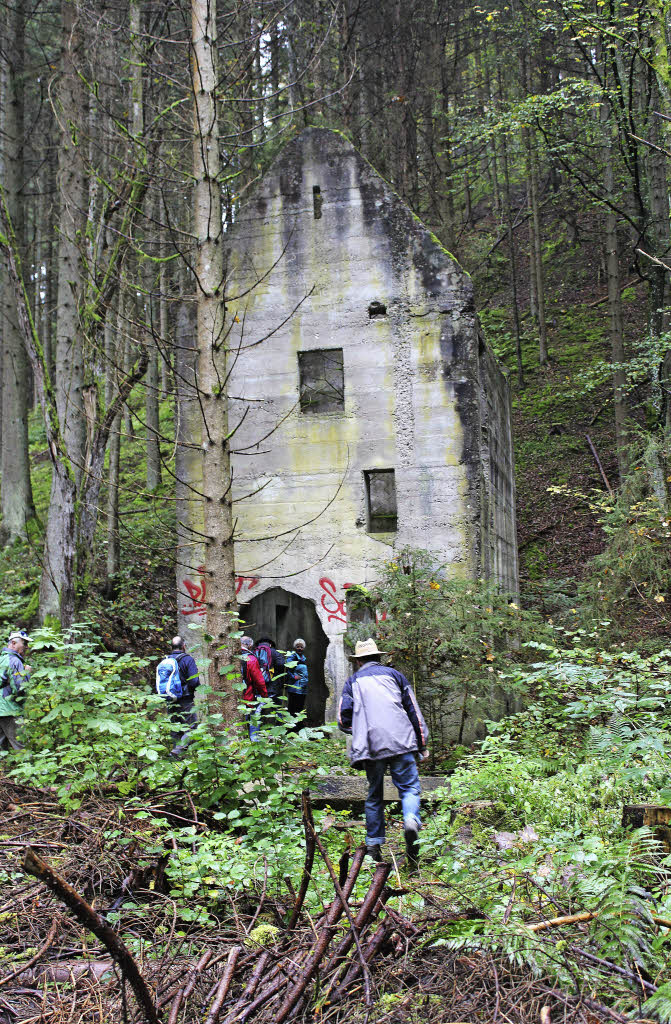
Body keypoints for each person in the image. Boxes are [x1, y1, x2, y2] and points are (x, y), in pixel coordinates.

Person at [338, 638, 429, 864]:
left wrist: (360, 728)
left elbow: (342, 719)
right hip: (401, 741)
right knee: (409, 789)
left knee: (374, 795)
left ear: (358, 661)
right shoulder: (396, 676)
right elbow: (413, 711)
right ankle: (411, 820)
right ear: (379, 657)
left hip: (371, 745)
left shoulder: (352, 682)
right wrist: (422, 743)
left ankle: (373, 846)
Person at [162, 636, 201, 757]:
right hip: (185, 699)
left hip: (170, 698)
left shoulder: (166, 660)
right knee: (191, 727)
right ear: (184, 646)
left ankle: (177, 759)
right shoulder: (187, 659)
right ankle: (177, 751)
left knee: (175, 728)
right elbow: (194, 681)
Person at [0, 629, 32, 752]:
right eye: (24, 643)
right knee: (22, 746)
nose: (27, 647)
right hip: (10, 710)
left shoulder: (2, 659)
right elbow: (20, 688)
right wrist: (27, 674)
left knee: (2, 749)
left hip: (2, 709)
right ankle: (29, 765)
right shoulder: (14, 661)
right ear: (13, 643)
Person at [240, 636, 268, 740]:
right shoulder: (251, 659)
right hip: (248, 695)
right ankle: (254, 741)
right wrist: (264, 695)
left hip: (234, 696)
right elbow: (259, 680)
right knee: (254, 717)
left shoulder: (232, 656)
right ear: (250, 645)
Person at [284, 638, 309, 724]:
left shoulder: (303, 658)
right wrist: (293, 677)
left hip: (302, 688)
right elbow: (287, 668)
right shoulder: (293, 656)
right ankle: (291, 726)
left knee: (300, 707)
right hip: (294, 687)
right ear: (295, 647)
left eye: (301, 647)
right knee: (293, 707)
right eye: (298, 647)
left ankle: (298, 725)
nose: (300, 648)